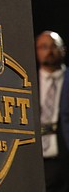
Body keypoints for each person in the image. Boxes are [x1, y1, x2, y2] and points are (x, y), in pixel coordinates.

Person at [36, 30, 69, 192]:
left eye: (53, 46)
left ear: (63, 50)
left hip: (65, 155)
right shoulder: (28, 81)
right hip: (38, 159)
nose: (48, 51)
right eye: (43, 47)